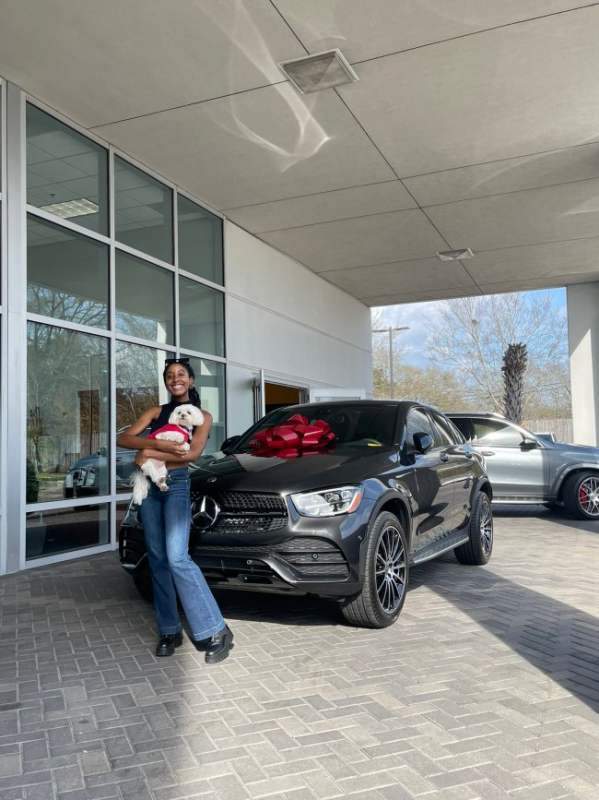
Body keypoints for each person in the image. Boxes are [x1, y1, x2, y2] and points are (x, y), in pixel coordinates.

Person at [117, 357, 233, 663]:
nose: (175, 379)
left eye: (181, 374)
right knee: (156, 559)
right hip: (150, 488)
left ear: (191, 381)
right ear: (167, 382)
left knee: (177, 557)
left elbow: (191, 453)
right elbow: (124, 438)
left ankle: (216, 629)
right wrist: (154, 449)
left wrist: (152, 450)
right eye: (170, 375)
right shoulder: (157, 411)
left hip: (177, 486)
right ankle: (169, 630)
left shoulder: (202, 417)